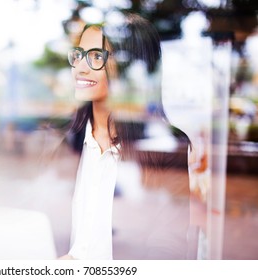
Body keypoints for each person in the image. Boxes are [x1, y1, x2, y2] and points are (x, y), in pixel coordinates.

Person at [49, 12, 192, 260]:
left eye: (95, 56)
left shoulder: (166, 148)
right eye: (78, 55)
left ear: (129, 66)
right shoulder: (66, 143)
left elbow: (170, 250)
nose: (80, 68)